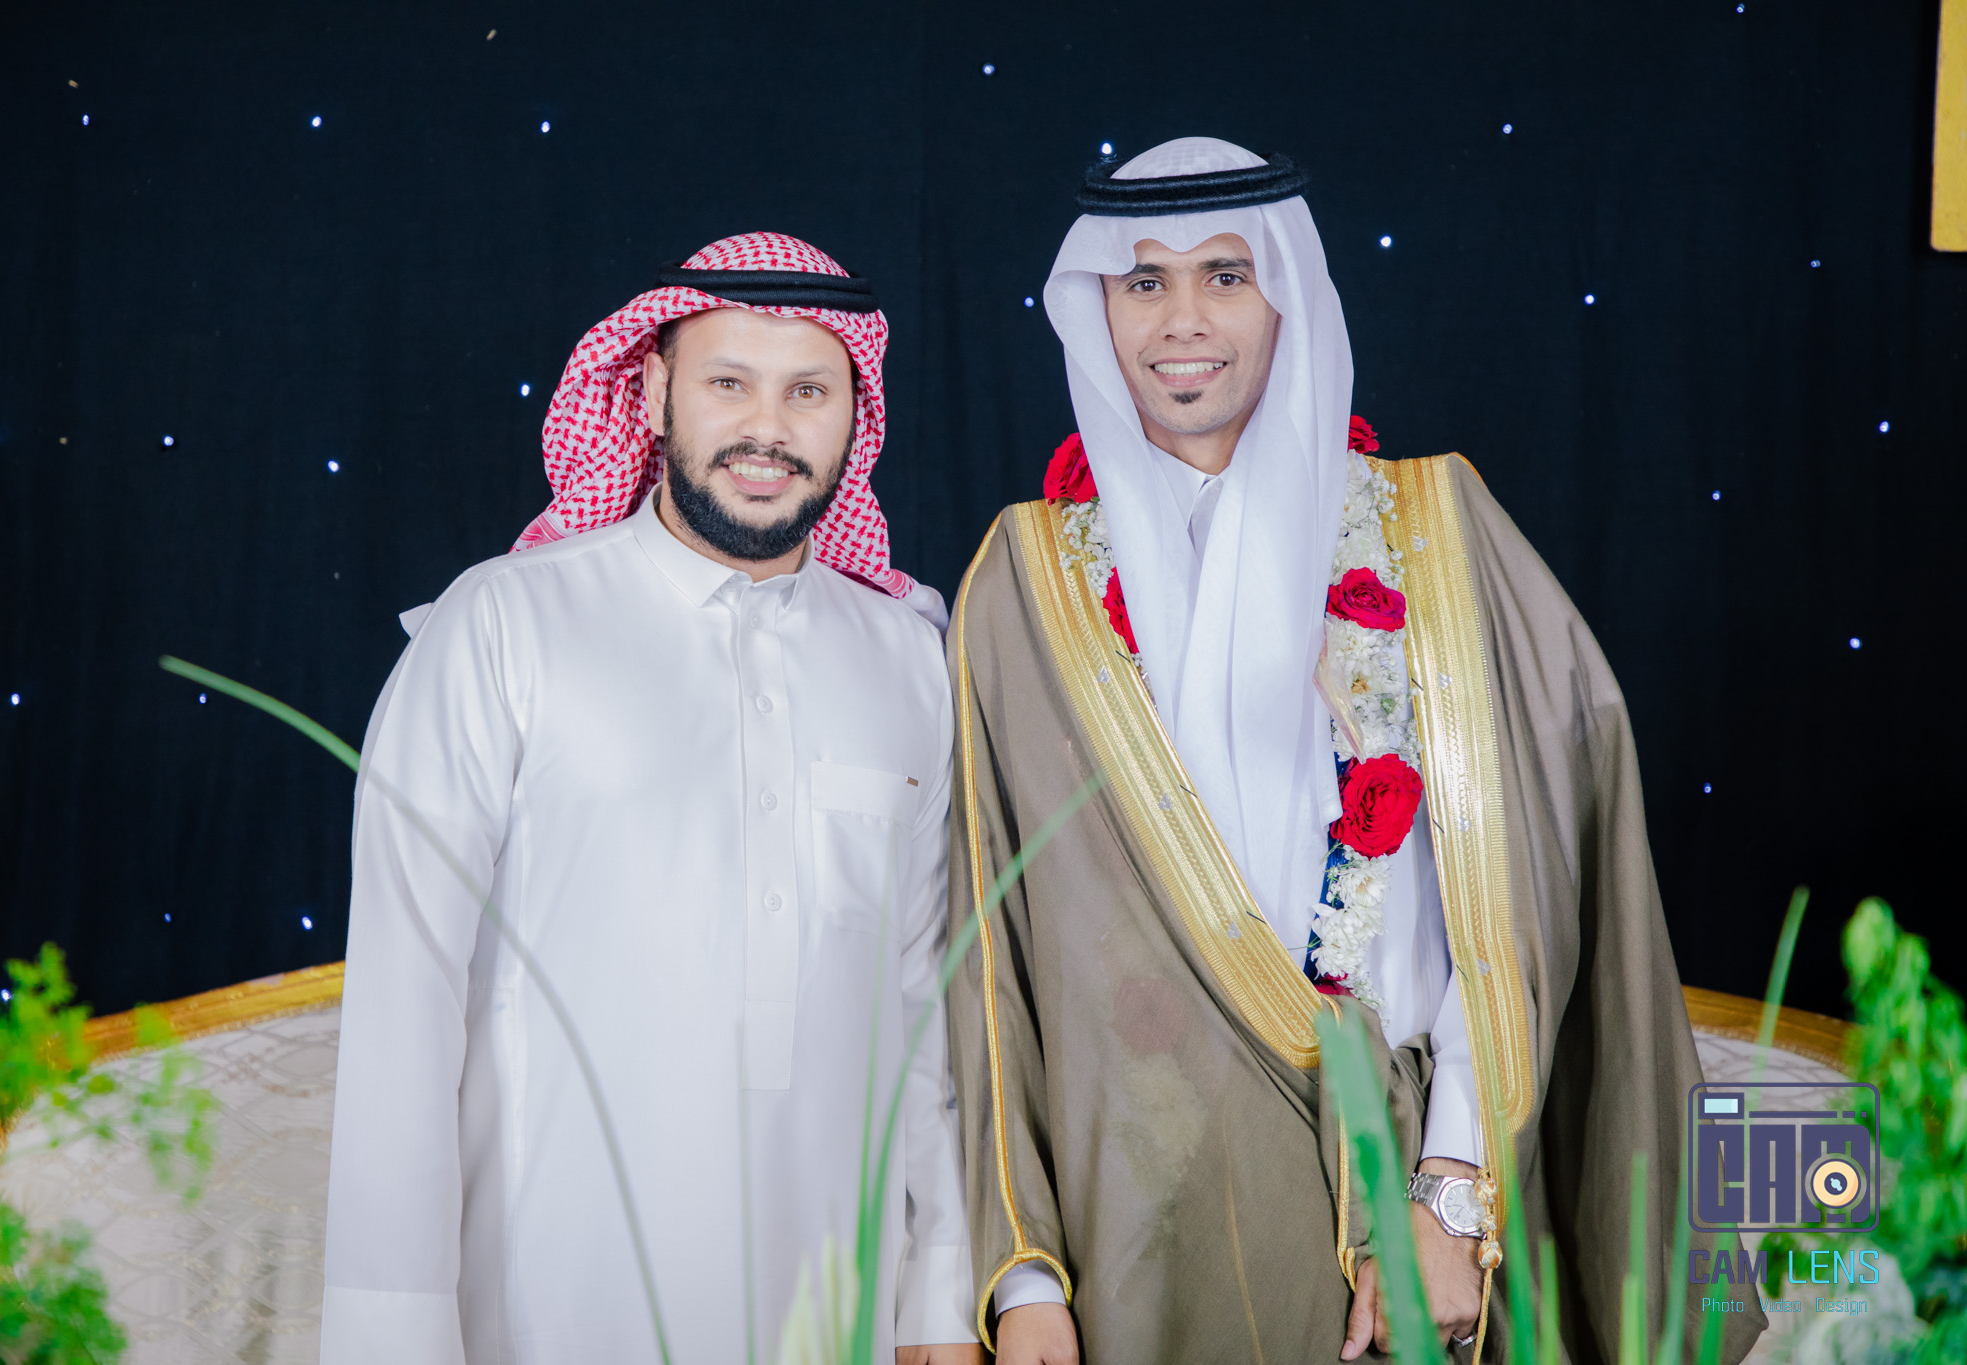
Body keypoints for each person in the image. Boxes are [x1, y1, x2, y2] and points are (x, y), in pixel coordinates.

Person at [945, 139, 1766, 1364]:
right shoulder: (1022, 585)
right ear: (1095, 307)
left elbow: (1527, 894)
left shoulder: (1438, 536)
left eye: (1225, 276)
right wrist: (1023, 1278)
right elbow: (987, 958)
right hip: (1135, 1240)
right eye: (1144, 281)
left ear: (1287, 294)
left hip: (1414, 1209)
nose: (1182, 320)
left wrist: (1451, 1192)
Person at [320, 233, 979, 1365]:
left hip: (837, 1311)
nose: (767, 428)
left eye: (807, 391)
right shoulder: (502, 626)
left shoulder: (909, 657)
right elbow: (403, 1004)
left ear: (854, 417)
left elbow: (928, 1004)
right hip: (545, 1308)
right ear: (653, 390)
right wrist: (396, 1337)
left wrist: (942, 1295)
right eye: (728, 382)